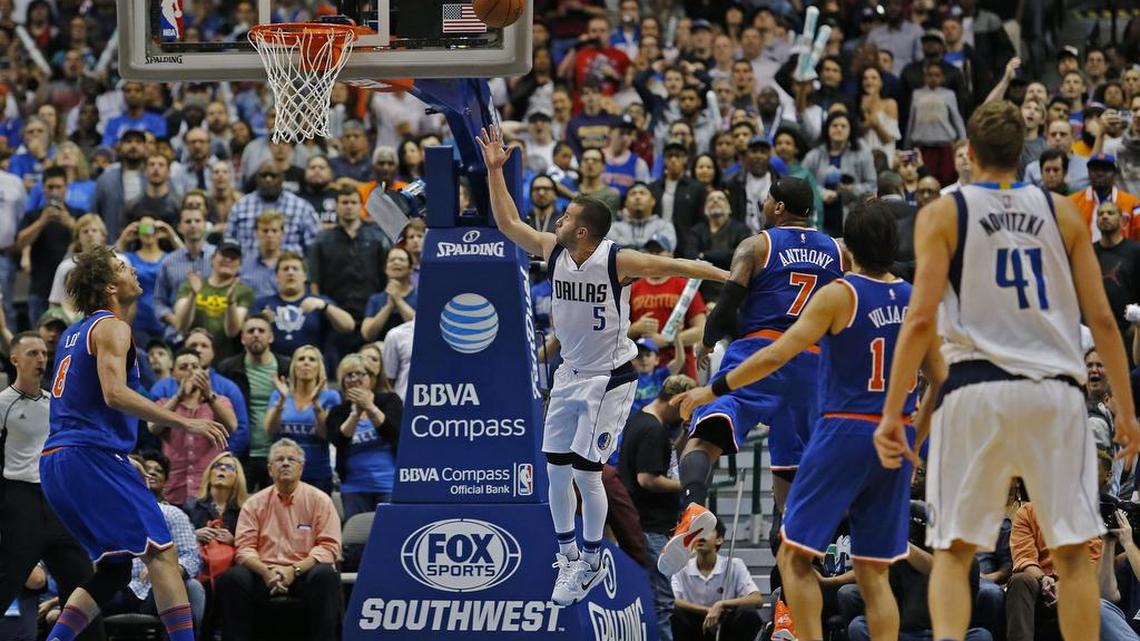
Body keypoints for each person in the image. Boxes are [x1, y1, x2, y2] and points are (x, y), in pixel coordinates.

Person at [875, 100, 1140, 641]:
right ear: (1026, 153)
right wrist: (1128, 413)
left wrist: (890, 414)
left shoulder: (944, 213)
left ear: (966, 153)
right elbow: (1104, 323)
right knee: (1071, 555)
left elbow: (920, 320)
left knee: (952, 553)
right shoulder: (1065, 212)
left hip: (975, 388)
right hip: (1055, 393)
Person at [477, 125, 729, 607]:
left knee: (587, 472)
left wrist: (730, 279)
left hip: (609, 380)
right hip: (570, 374)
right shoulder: (553, 252)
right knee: (554, 469)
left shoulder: (616, 260)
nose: (558, 219)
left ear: (584, 230)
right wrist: (494, 171)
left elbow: (680, 266)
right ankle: (570, 555)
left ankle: (591, 558)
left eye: (567, 215)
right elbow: (509, 223)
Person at [673, 201, 946, 641]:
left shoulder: (841, 294)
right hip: (893, 439)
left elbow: (778, 353)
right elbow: (941, 379)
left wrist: (712, 390)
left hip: (843, 429)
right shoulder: (918, 300)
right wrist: (916, 437)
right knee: (874, 574)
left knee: (794, 558)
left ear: (849, 249)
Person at [37, 245, 227, 641]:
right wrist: (183, 423)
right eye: (124, 266)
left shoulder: (74, 333)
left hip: (61, 459)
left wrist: (119, 457)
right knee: (161, 551)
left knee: (116, 568)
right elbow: (114, 394)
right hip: (89, 454)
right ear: (109, 286)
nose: (134, 270)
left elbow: (85, 402)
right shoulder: (112, 326)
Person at [663, 176, 846, 577]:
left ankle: (693, 507)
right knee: (789, 491)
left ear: (778, 207)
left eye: (767, 199)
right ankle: (788, 609)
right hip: (813, 361)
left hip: (759, 354)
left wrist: (708, 341)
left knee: (704, 435)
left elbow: (728, 304)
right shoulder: (839, 250)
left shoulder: (757, 245)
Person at [0, 332, 102, 641]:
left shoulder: (57, 405)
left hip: (58, 502)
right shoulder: (2, 403)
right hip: (19, 503)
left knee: (85, 583)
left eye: (44, 353)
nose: (41, 359)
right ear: (15, 359)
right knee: (6, 583)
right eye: (32, 353)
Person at [216, 439, 342, 641]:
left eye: (291, 459)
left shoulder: (320, 500)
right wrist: (266, 572)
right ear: (269, 469)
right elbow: (244, 548)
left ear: (301, 467)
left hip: (304, 573)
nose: (285, 463)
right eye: (279, 460)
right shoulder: (254, 503)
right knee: (233, 578)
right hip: (263, 573)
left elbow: (329, 547)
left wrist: (294, 570)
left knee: (325, 575)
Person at [618, 374, 696, 641]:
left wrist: (685, 434)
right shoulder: (652, 430)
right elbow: (648, 478)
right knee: (662, 602)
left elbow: (663, 457)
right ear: (676, 402)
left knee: (656, 597)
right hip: (649, 526)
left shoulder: (645, 421)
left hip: (645, 524)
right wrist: (689, 484)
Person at [101, 452, 205, 631]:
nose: (151, 474)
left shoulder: (172, 514)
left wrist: (165, 571)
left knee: (177, 591)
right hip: (121, 586)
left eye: (156, 471)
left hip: (157, 587)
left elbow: (191, 558)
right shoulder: (109, 516)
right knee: (92, 597)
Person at [149, 347, 237, 504]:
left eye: (195, 367)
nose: (190, 371)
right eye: (183, 368)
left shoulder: (220, 401)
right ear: (173, 374)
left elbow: (232, 425)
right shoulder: (164, 403)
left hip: (208, 492)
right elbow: (153, 427)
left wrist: (209, 395)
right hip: (174, 490)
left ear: (205, 372)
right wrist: (178, 397)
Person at [327, 353, 402, 519]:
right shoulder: (338, 412)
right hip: (354, 487)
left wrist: (370, 407)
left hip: (389, 484)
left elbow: (394, 432)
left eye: (360, 373)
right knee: (356, 539)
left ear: (372, 378)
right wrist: (354, 415)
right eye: (348, 375)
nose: (354, 379)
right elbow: (338, 440)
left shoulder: (390, 401)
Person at [669, 519, 764, 641]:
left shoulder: (734, 565)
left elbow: (757, 599)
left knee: (748, 612)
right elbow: (674, 600)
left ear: (719, 540)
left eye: (707, 531)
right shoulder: (682, 567)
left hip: (725, 626)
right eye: (698, 532)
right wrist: (708, 611)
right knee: (673, 612)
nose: (700, 536)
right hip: (694, 626)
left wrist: (720, 605)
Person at [265, 345, 340, 494]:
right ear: (293, 366)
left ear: (319, 367)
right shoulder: (279, 394)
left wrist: (316, 406)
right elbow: (269, 430)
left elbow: (327, 435)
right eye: (301, 359)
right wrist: (281, 401)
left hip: (318, 474)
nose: (306, 362)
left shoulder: (331, 397)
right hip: (282, 475)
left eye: (312, 359)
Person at [251, 251, 354, 358]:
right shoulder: (262, 303)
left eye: (295, 269)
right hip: (273, 367)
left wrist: (325, 306)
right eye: (285, 269)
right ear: (277, 276)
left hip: (311, 367)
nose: (290, 272)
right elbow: (247, 336)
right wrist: (262, 322)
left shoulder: (319, 302)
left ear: (305, 276)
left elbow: (348, 326)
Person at [172, 238, 254, 358]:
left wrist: (231, 301)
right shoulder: (191, 284)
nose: (228, 260)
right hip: (192, 356)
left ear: (240, 265)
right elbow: (181, 325)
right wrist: (193, 295)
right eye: (224, 255)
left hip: (227, 357)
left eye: (234, 257)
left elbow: (232, 331)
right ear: (212, 258)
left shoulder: (244, 291)